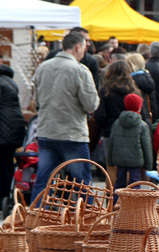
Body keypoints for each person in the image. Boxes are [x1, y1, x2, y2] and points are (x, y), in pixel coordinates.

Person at [31, 32, 99, 202]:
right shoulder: (80, 70)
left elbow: (37, 101)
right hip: (72, 134)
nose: (84, 51)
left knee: (43, 182)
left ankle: (35, 221)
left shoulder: (43, 67)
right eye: (84, 46)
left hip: (47, 131)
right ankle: (87, 222)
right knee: (83, 184)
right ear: (78, 47)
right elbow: (91, 104)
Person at [95, 60, 147, 184]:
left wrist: (105, 126)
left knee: (111, 166)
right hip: (133, 133)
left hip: (110, 132)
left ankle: (111, 197)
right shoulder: (134, 90)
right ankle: (128, 198)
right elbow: (143, 114)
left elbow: (99, 114)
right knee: (130, 166)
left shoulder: (105, 90)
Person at [107, 94, 152, 203]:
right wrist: (148, 165)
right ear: (139, 107)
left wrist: (111, 160)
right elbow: (146, 146)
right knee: (135, 185)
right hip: (136, 161)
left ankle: (115, 207)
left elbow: (111, 142)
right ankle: (132, 209)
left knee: (119, 184)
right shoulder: (142, 125)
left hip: (120, 159)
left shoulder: (117, 123)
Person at [0, 64, 26, 203]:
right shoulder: (9, 81)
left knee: (3, 164)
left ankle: (3, 196)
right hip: (13, 129)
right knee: (7, 163)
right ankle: (7, 196)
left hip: (4, 130)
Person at [126, 53, 156, 125]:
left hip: (135, 117)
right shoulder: (148, 78)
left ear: (132, 66)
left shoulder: (131, 81)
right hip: (147, 117)